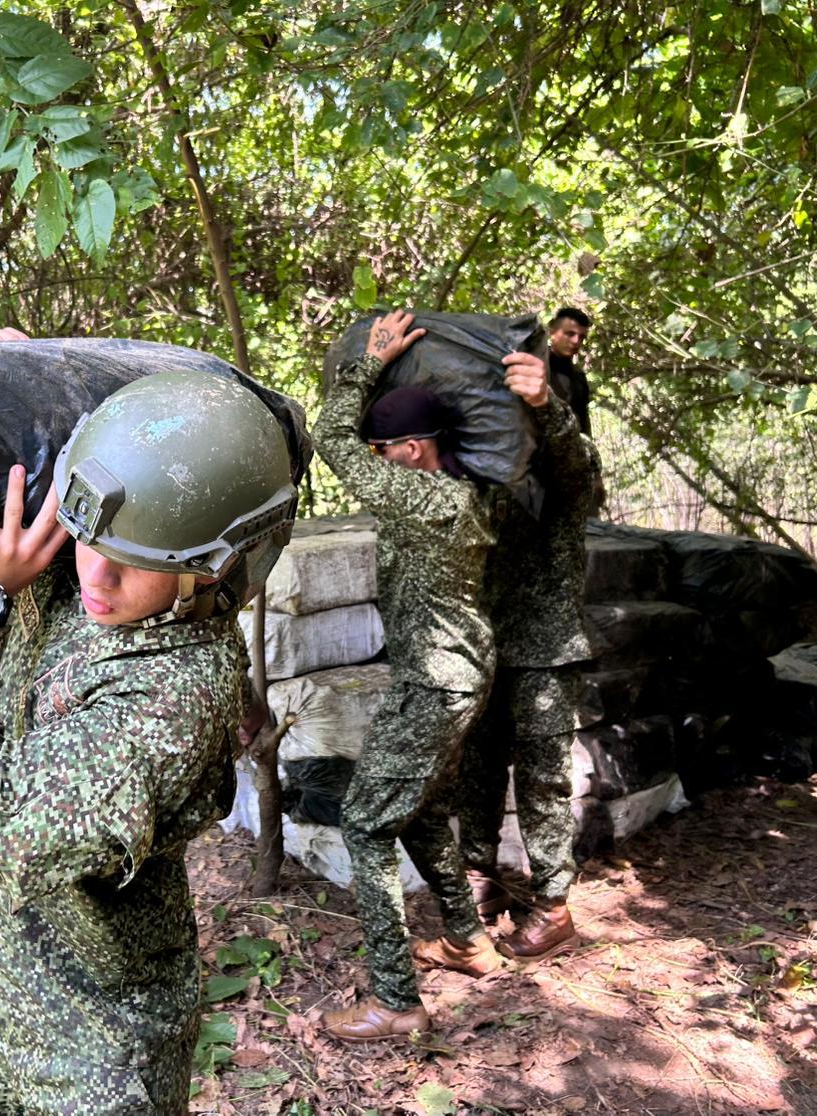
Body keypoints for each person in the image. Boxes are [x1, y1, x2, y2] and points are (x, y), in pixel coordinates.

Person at [0, 368, 298, 1114]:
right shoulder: (109, 571)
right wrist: (14, 376)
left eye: (136, 560)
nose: (96, 573)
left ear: (217, 570)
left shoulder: (174, 691)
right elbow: (95, 441)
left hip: (95, 1054)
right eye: (88, 538)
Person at [314, 309, 537, 1042]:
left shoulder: (427, 498)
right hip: (452, 675)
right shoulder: (460, 494)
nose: (375, 462)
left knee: (365, 823)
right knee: (412, 810)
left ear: (412, 451)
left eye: (384, 450)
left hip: (435, 684)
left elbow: (329, 440)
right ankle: (468, 940)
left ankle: (394, 999)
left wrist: (365, 366)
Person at [456, 344, 598, 961]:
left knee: (542, 781)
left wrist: (547, 404)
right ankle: (478, 875)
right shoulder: (478, 476)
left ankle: (553, 905)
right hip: (481, 642)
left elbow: (579, 463)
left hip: (543, 646)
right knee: (476, 769)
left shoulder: (564, 471)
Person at [546, 306, 592, 436]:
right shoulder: (536, 365)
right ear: (552, 332)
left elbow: (583, 421)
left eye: (581, 337)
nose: (576, 341)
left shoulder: (578, 377)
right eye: (570, 334)